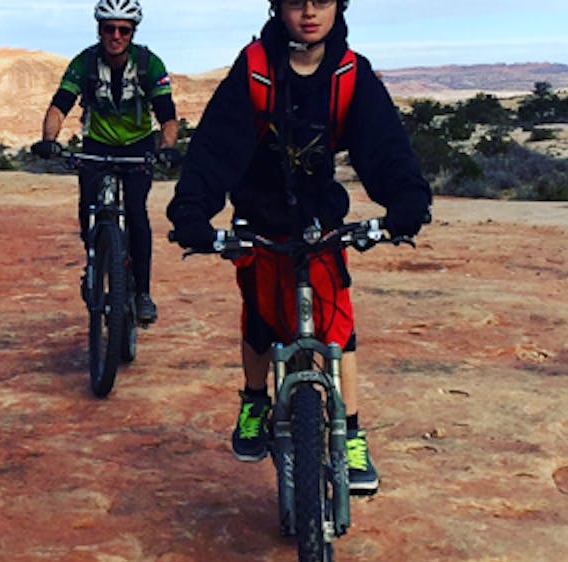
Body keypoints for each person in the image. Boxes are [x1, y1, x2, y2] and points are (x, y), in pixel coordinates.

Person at [167, 0, 432, 494]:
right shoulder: (255, 70)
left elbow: (386, 147)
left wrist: (407, 202)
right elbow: (215, 148)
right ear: (277, 7)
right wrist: (192, 212)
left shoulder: (351, 74)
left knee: (337, 322)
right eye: (295, 1)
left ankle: (349, 432)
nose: (309, 12)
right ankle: (254, 400)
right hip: (260, 211)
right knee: (261, 311)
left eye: (322, 0)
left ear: (339, 5)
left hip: (317, 216)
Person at [31, 0, 180, 325]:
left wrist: (166, 147)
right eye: (108, 28)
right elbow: (60, 106)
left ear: (132, 32)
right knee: (88, 206)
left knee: (137, 215)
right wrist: (49, 140)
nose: (115, 35)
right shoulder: (84, 63)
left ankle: (142, 293)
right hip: (96, 145)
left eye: (123, 29)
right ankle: (94, 260)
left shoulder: (148, 64)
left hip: (136, 146)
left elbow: (167, 115)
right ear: (99, 29)